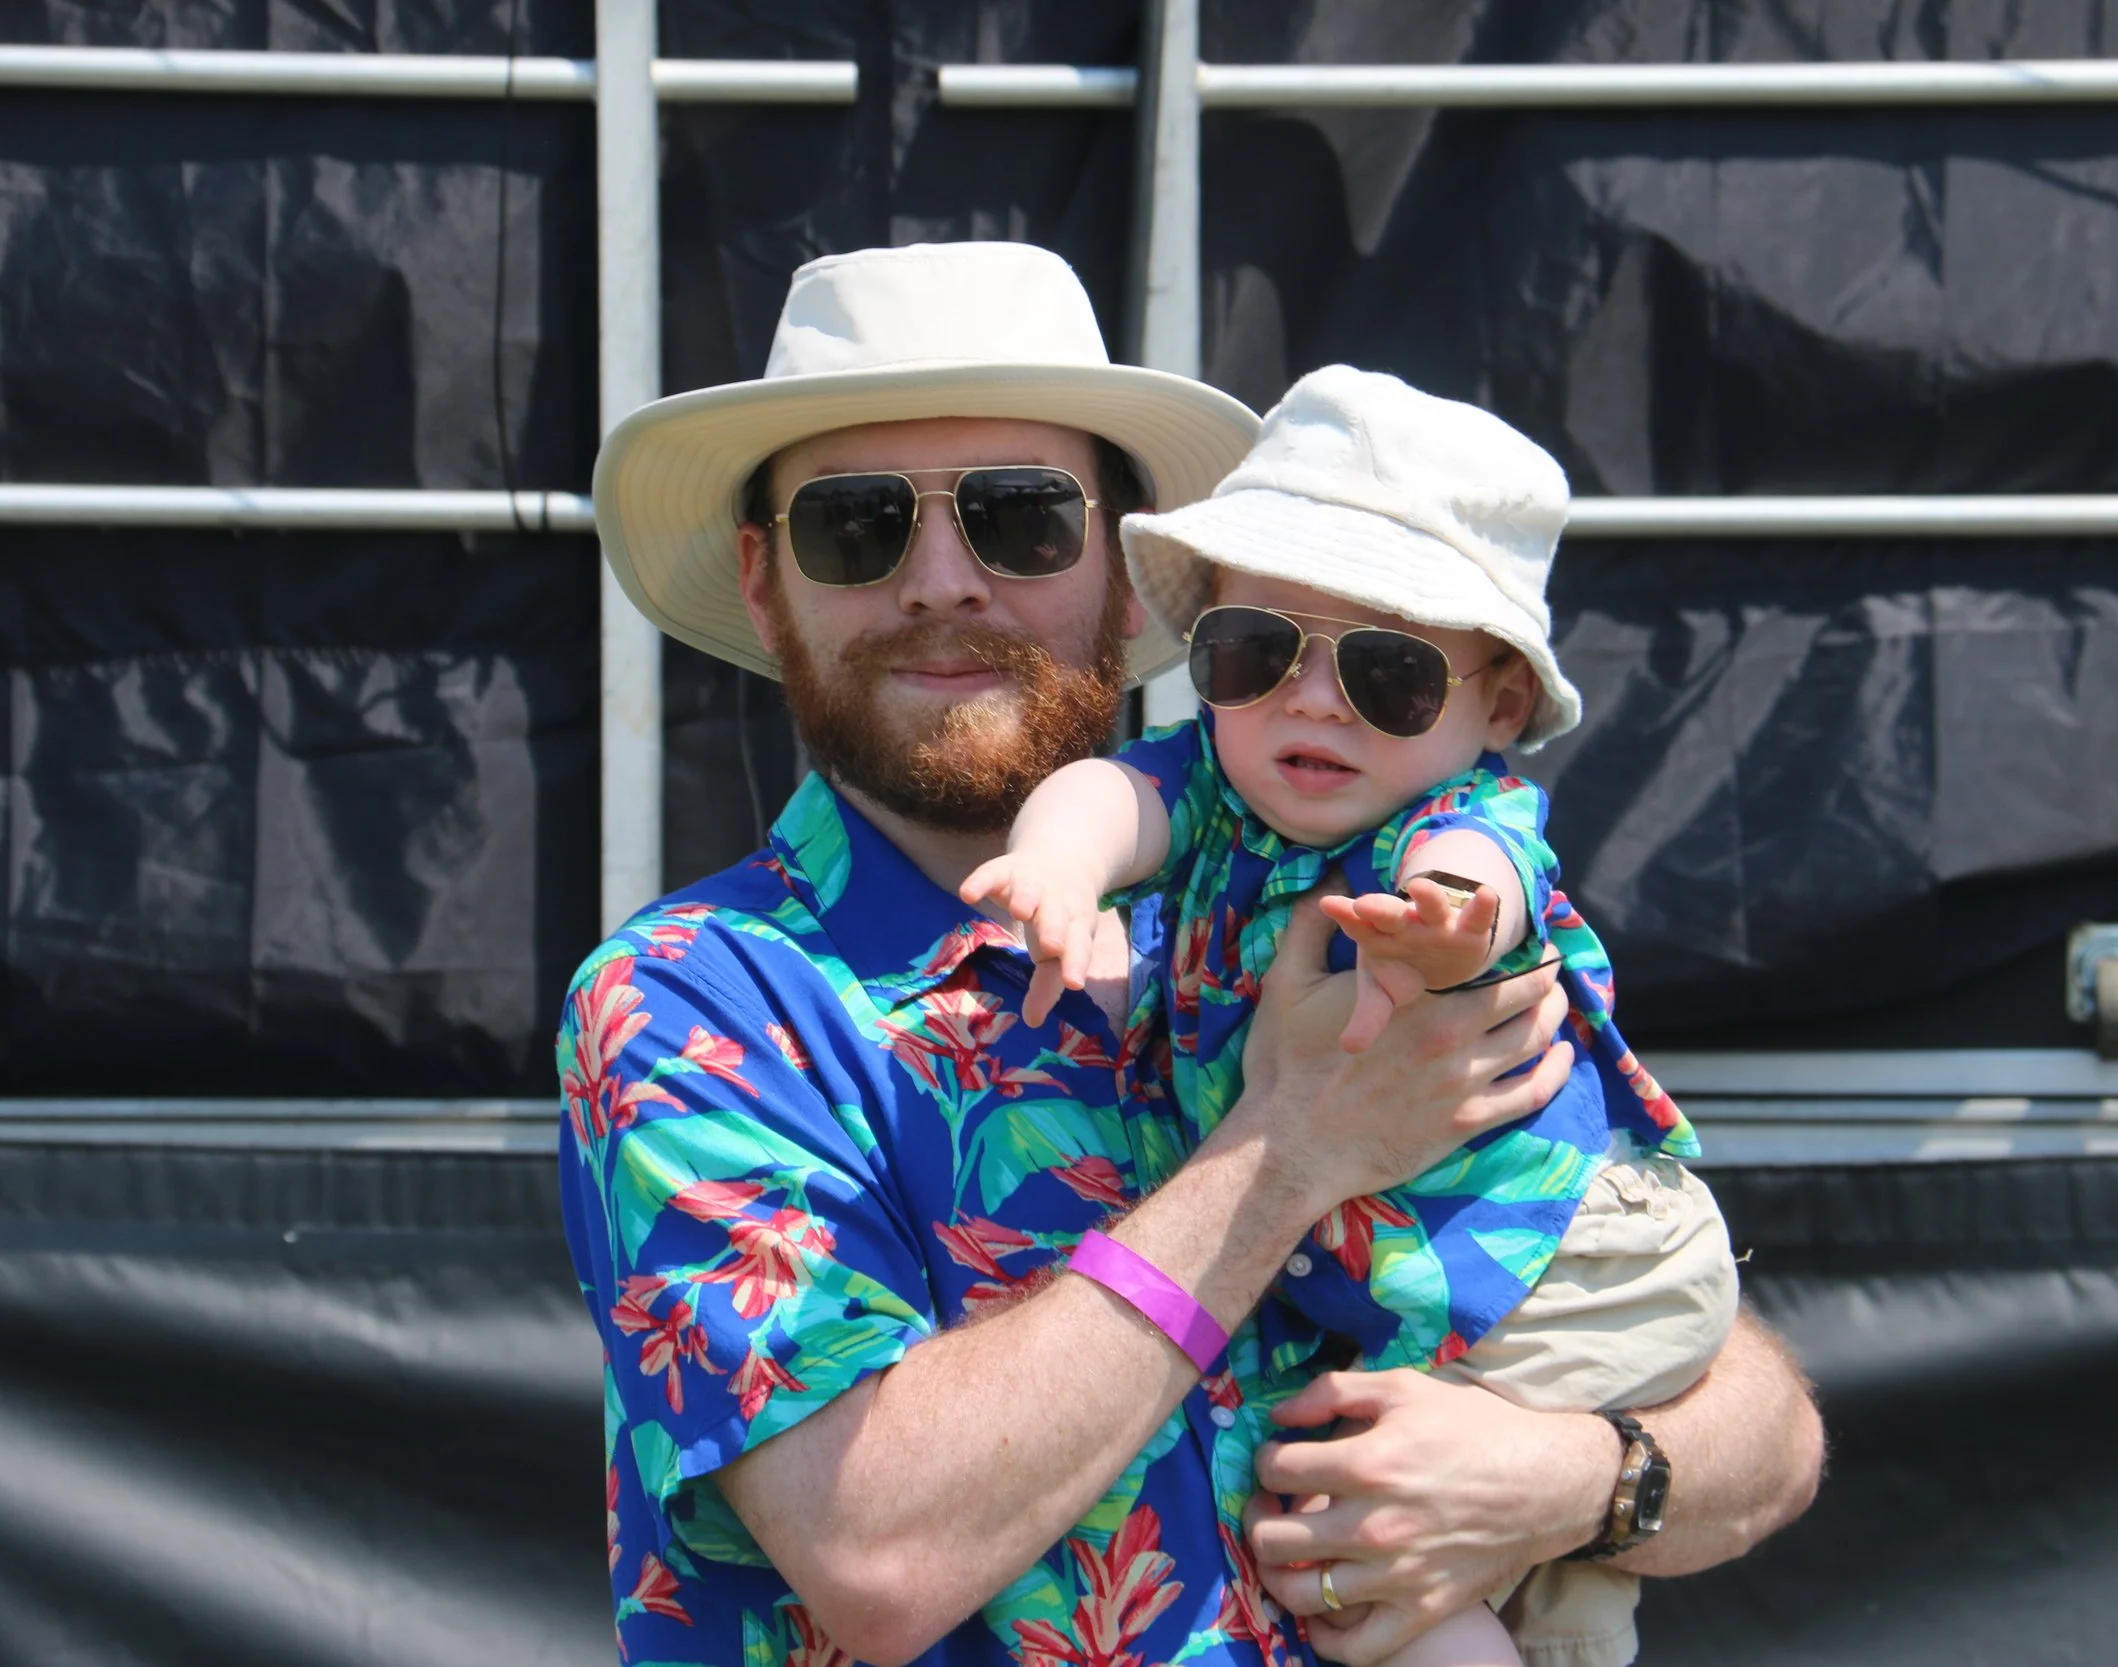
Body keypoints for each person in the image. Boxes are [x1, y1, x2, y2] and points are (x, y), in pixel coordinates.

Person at [561, 241, 1822, 1667]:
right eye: (855, 527)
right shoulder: (694, 998)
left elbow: (1765, 1430)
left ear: (1124, 558)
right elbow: (877, 1548)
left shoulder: (1299, 883)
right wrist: (1286, 1156)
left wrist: (1569, 1477)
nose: (940, 583)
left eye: (1020, 518)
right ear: (765, 577)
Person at [963, 367, 1738, 1667]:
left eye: (1388, 671)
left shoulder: (1446, 821)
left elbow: (1487, 876)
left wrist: (1449, 924)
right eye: (1255, 651)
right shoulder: (1213, 789)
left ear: (1495, 709)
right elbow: (1106, 794)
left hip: (1568, 1257)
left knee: (1395, 1544)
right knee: (1400, 1571)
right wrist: (1057, 865)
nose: (1312, 699)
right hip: (1404, 1287)